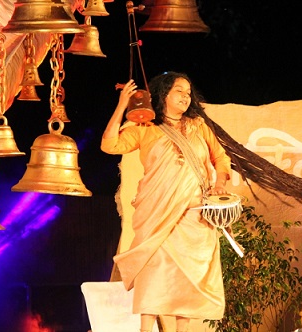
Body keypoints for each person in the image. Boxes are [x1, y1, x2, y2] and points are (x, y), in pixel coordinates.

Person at [101, 71, 231, 332]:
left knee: (189, 277)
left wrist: (219, 185)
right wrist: (122, 106)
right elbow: (109, 145)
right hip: (157, 214)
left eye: (188, 92)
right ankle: (145, 329)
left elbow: (221, 158)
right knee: (155, 271)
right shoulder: (144, 127)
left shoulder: (198, 126)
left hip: (195, 215)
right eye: (179, 91)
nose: (186, 97)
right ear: (163, 95)